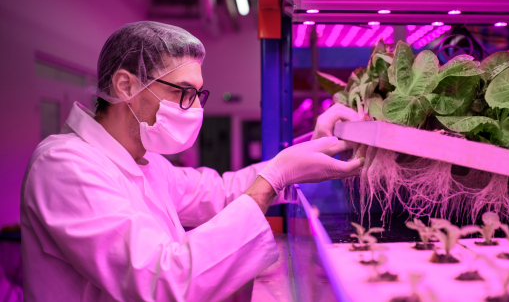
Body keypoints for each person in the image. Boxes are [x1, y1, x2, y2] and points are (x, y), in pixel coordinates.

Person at [20, 21, 363, 302]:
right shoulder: (64, 167)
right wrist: (274, 176)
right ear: (125, 85)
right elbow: (161, 281)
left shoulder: (145, 161)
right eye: (183, 93)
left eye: (199, 95)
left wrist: (312, 149)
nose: (195, 108)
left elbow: (218, 190)